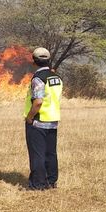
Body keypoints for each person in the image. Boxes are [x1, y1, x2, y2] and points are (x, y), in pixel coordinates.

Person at [24, 47, 63, 190]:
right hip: (53, 120)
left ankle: (38, 185)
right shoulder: (56, 78)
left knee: (37, 154)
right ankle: (51, 181)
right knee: (50, 153)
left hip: (38, 121)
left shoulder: (38, 79)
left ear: (34, 62)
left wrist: (29, 117)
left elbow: (38, 102)